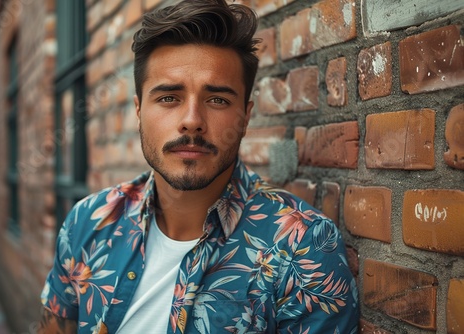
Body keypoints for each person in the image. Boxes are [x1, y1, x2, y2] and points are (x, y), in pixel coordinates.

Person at [39, 0, 360, 333]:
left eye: (217, 99)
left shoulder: (304, 248)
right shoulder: (88, 222)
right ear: (138, 110)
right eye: (168, 97)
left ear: (246, 116)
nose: (191, 122)